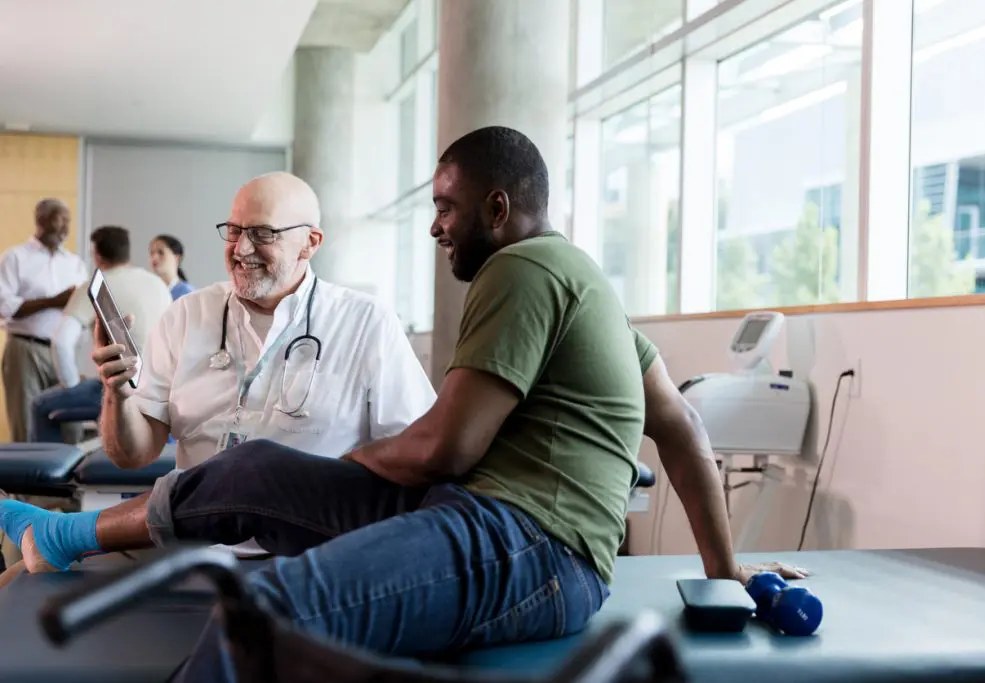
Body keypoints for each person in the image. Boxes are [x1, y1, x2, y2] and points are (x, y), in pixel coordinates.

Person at [0, 129, 800, 677]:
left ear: (497, 208)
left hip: (532, 546)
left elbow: (440, 447)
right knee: (252, 470)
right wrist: (725, 576)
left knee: (269, 604)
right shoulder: (580, 282)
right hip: (481, 515)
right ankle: (59, 532)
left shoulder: (520, 271)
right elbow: (685, 427)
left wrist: (341, 470)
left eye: (447, 208)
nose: (436, 227)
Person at [28, 226, 173, 443]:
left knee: (40, 405)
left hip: (121, 385)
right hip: (161, 386)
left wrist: (71, 384)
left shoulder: (93, 285)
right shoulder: (157, 284)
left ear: (96, 254)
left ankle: (52, 472)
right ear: (127, 252)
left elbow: (61, 341)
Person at [0, 199, 87, 442]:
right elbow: (4, 306)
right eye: (61, 220)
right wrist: (53, 301)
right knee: (26, 424)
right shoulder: (14, 258)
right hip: (25, 350)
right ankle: (23, 479)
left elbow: (84, 311)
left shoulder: (75, 264)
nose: (66, 228)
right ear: (41, 220)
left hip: (65, 351)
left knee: (72, 424)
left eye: (68, 221)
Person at [149, 234, 195, 300]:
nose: (154, 258)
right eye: (151, 253)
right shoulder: (148, 292)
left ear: (177, 258)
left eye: (161, 252)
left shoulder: (188, 295)